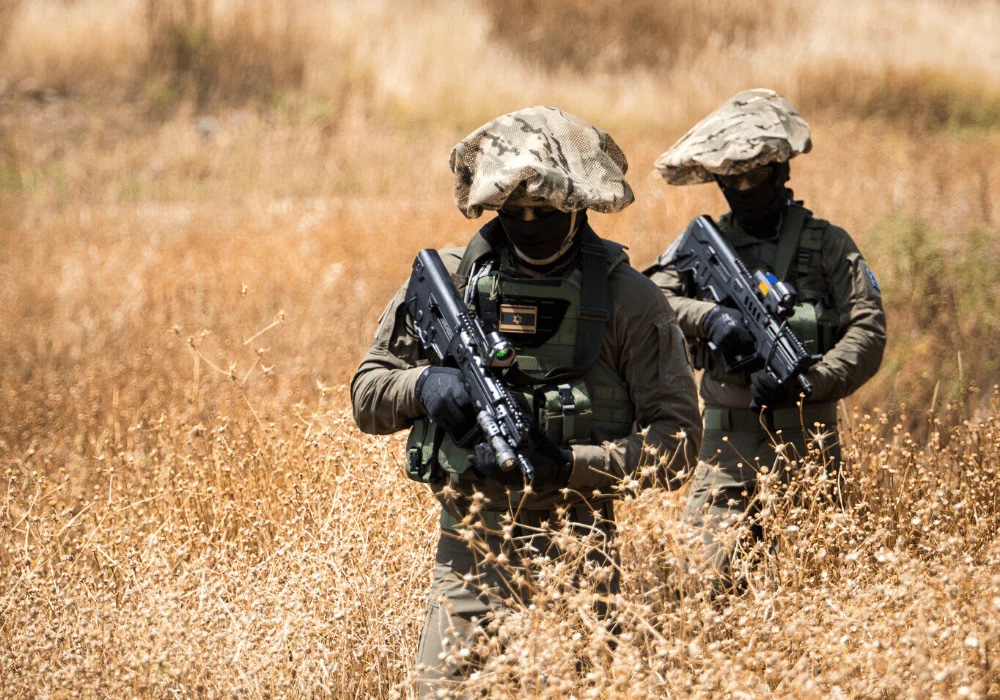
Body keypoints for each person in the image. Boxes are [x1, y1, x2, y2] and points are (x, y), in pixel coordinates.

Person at [351, 106, 702, 696]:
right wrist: (426, 386)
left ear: (579, 205)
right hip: (469, 555)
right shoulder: (455, 281)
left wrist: (567, 465)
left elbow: (679, 446)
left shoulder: (631, 300)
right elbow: (367, 393)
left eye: (546, 211)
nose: (531, 223)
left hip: (580, 559)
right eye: (515, 211)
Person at [644, 89, 886, 591]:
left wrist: (813, 382)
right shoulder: (704, 244)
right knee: (703, 588)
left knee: (817, 592)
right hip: (724, 451)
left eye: (755, 177)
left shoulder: (827, 244)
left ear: (781, 172)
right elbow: (651, 299)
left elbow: (868, 328)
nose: (744, 189)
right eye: (732, 180)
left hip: (808, 447)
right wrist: (710, 318)